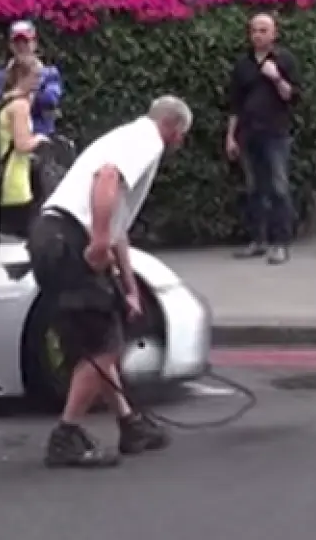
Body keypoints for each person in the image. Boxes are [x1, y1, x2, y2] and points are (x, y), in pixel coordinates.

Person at [28, 95, 193, 468]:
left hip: (52, 236)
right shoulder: (146, 140)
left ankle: (129, 424)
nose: (180, 142)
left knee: (102, 337)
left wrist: (129, 289)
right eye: (182, 134)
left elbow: (118, 227)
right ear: (174, 128)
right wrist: (99, 241)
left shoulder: (126, 137)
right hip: (68, 237)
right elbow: (106, 179)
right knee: (103, 345)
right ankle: (66, 435)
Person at [226, 13, 300, 265]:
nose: (257, 35)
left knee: (279, 188)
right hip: (249, 133)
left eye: (263, 30)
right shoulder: (243, 64)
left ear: (274, 33)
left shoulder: (285, 60)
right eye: (254, 30)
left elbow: (293, 97)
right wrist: (231, 136)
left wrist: (277, 77)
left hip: (275, 134)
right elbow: (235, 103)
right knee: (254, 189)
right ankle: (257, 241)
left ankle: (280, 244)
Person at [0, 55, 48, 238]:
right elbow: (22, 145)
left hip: (4, 175)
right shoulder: (20, 106)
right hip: (16, 181)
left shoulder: (5, 99)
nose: (39, 81)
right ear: (22, 75)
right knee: (20, 238)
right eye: (36, 76)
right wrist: (40, 139)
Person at [0, 20, 64, 137]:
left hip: (39, 137)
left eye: (26, 42)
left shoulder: (49, 74)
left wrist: (34, 85)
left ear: (34, 44)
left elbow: (51, 101)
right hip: (8, 137)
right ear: (10, 46)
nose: (21, 47)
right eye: (17, 43)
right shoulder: (0, 75)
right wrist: (17, 92)